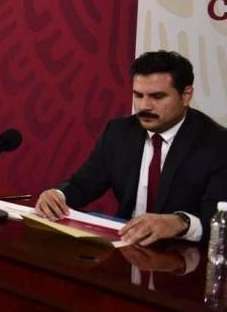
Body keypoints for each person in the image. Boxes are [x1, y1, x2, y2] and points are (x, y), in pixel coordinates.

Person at [35, 51, 227, 245]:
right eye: (138, 95)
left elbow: (219, 219)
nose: (144, 106)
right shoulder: (119, 132)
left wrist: (180, 222)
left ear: (186, 95)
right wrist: (58, 196)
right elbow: (85, 183)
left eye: (157, 96)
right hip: (126, 246)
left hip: (185, 253)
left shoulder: (218, 144)